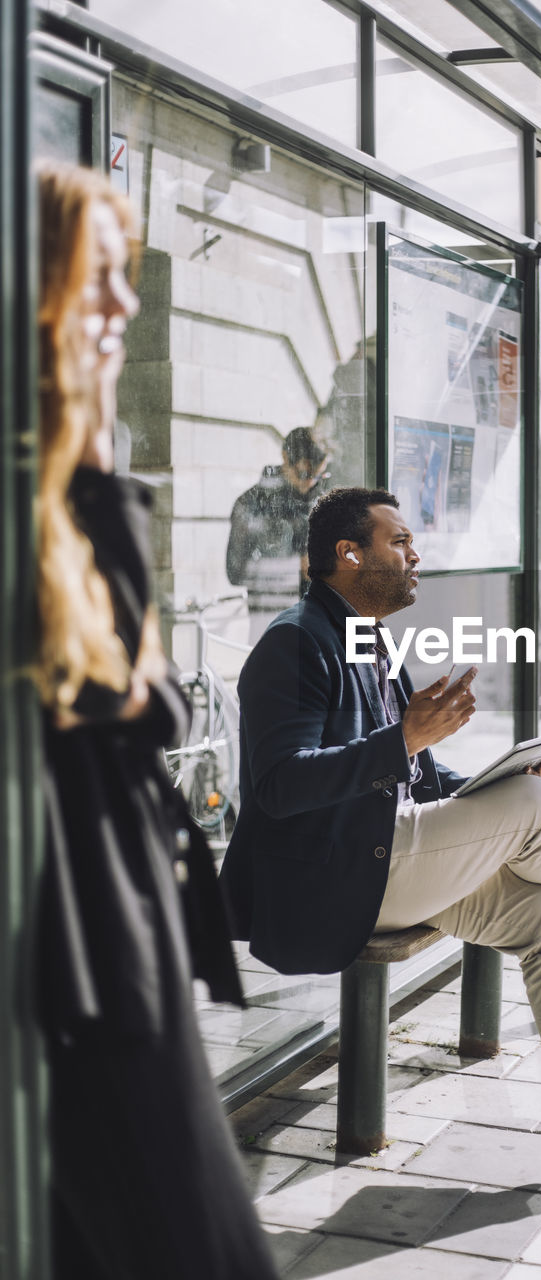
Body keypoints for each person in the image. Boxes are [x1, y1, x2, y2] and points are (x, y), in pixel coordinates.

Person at [221, 486, 541, 1193]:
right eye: (397, 541)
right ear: (348, 553)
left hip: (385, 860)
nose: (413, 554)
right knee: (536, 804)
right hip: (330, 875)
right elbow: (279, 787)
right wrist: (402, 741)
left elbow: (419, 770)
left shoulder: (366, 637)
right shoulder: (292, 643)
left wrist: (484, 777)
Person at [34, 163, 278, 1280]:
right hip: (80, 963)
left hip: (123, 946)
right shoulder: (37, 509)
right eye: (102, 280)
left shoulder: (72, 491)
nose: (126, 308)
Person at [226, 426, 329, 639]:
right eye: (304, 473)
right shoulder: (251, 504)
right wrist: (294, 565)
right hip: (273, 624)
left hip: (319, 626)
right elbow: (234, 572)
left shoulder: (325, 502)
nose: (310, 482)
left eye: (318, 476)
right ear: (285, 458)